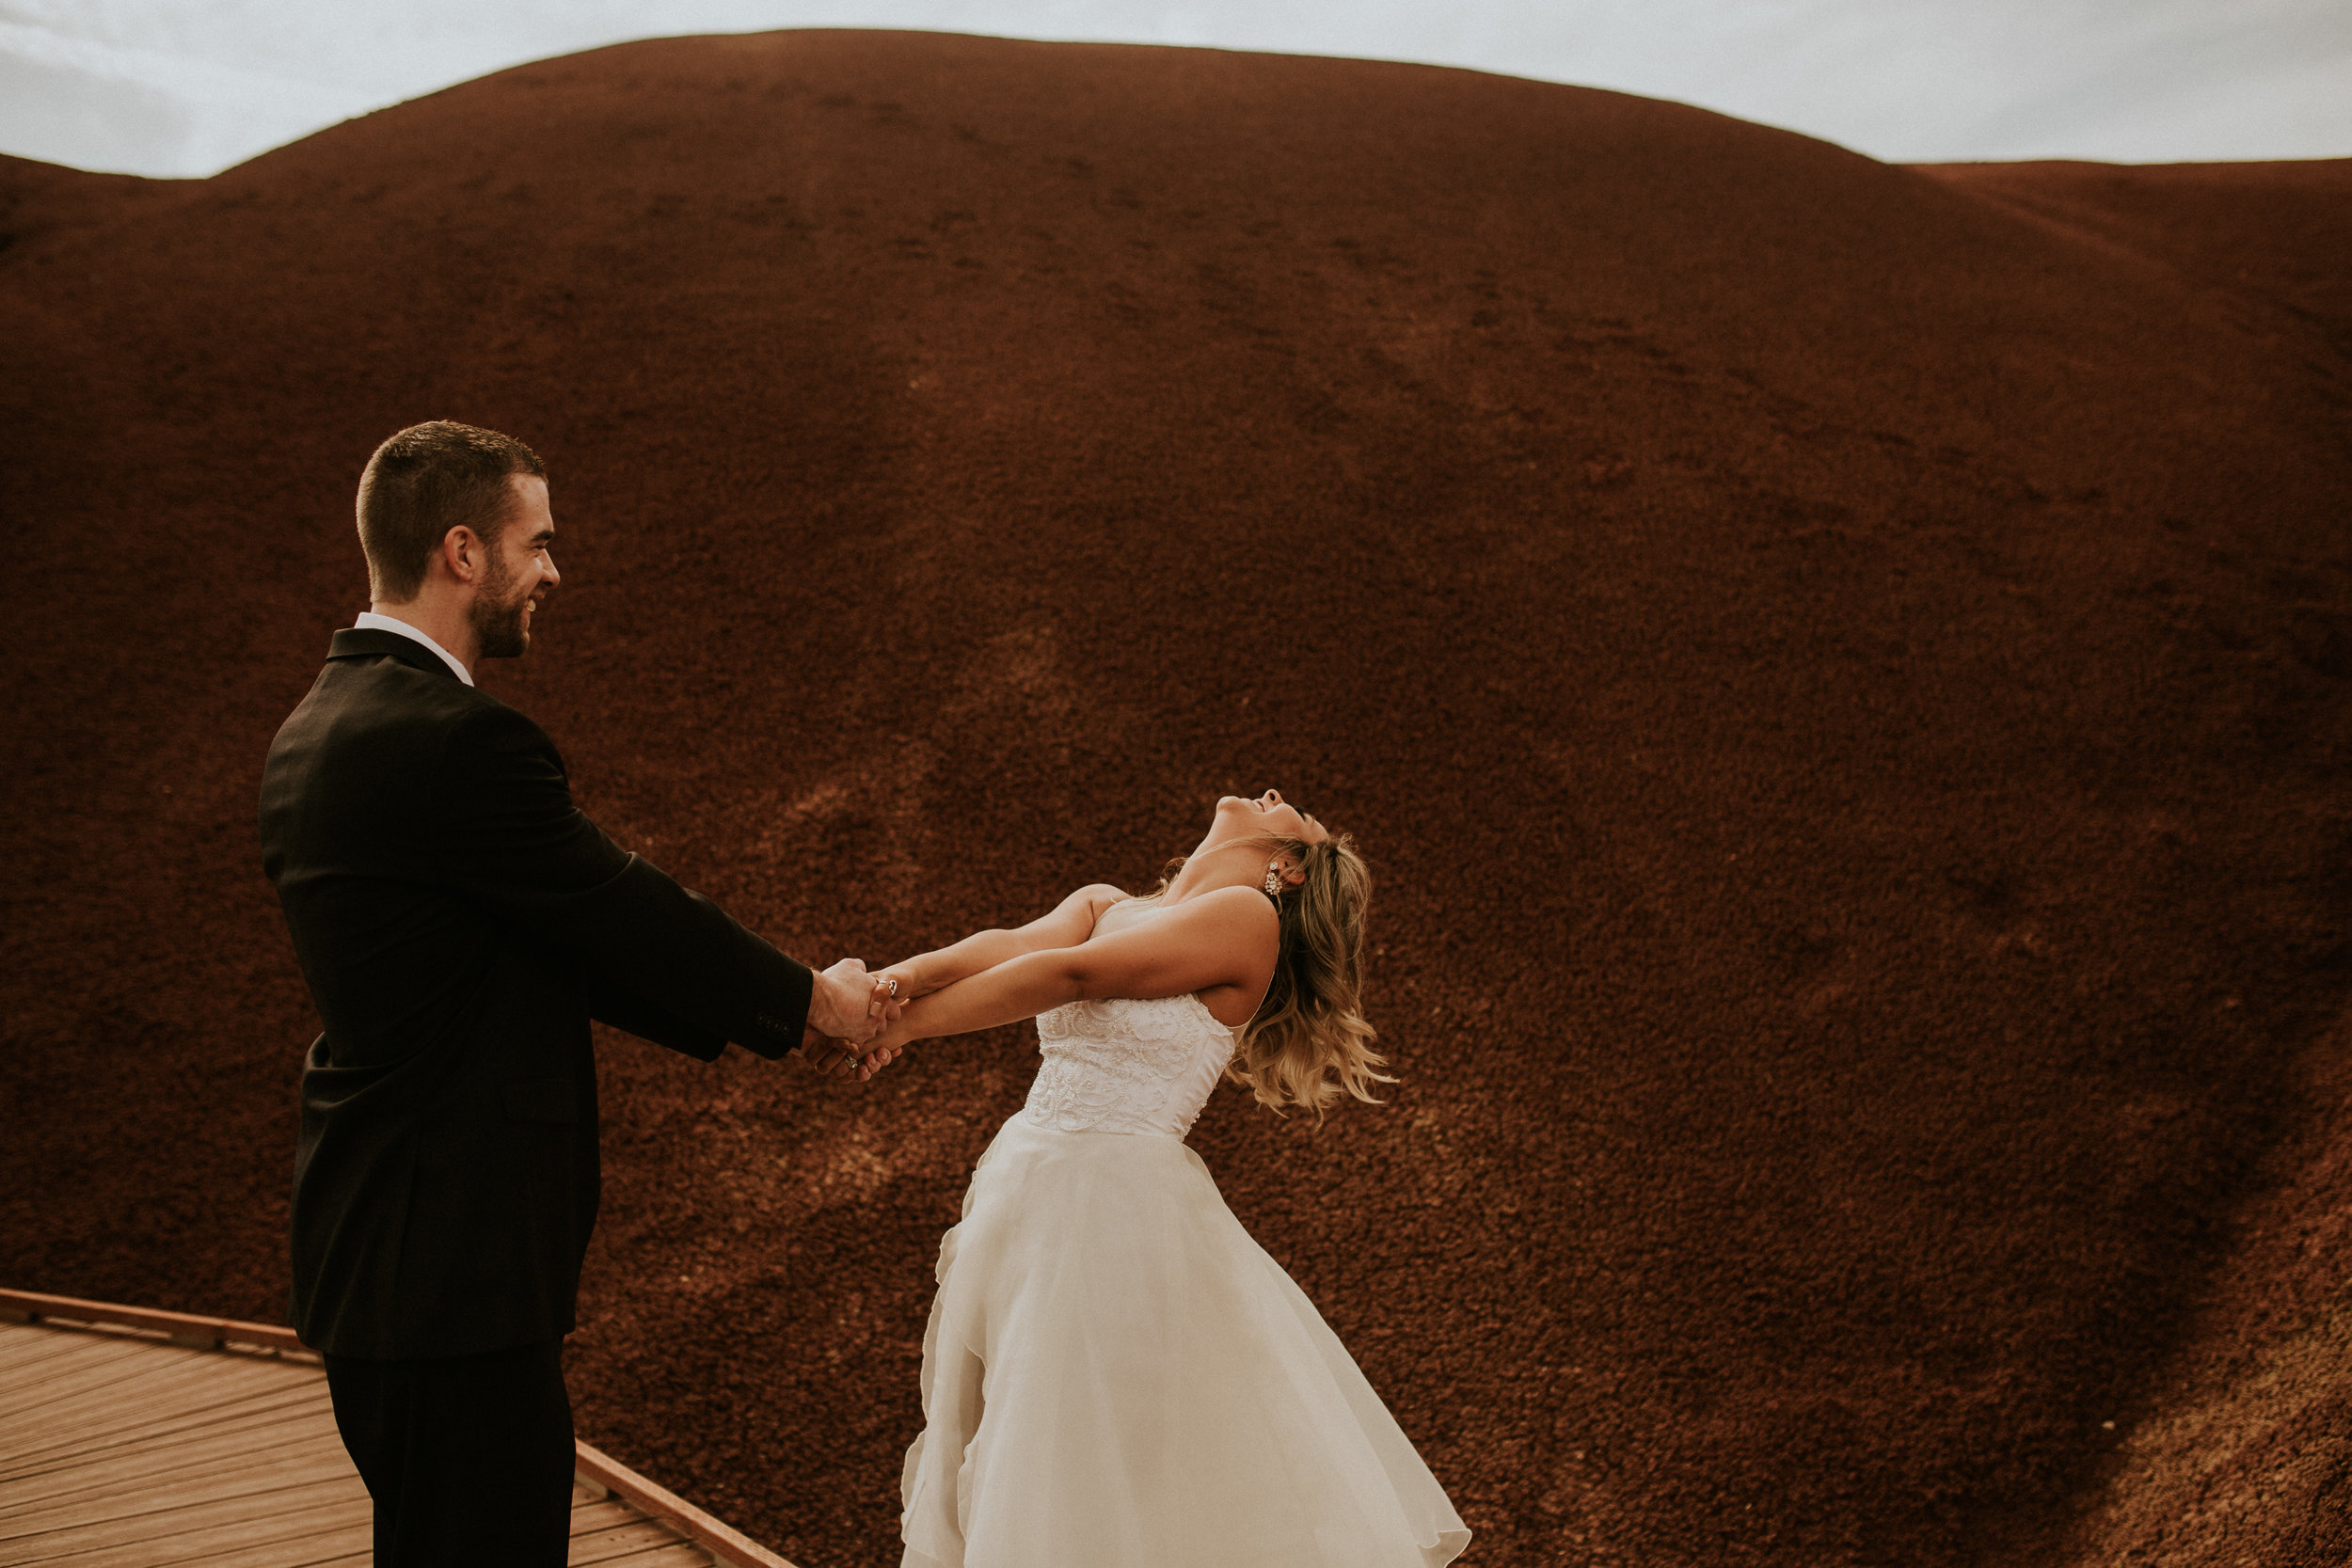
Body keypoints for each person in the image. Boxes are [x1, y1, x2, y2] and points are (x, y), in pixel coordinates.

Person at [258, 420, 894, 1567]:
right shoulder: (455, 741)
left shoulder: (316, 728)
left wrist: (791, 1011)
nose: (554, 570)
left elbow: (545, 947)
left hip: (381, 1258)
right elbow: (619, 906)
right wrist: (818, 1002)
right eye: (536, 542)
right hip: (455, 1270)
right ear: (463, 550)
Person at [862, 789, 1471, 1567]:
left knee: (1065, 1442)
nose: (1277, 793)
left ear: (1283, 864)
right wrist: (887, 984)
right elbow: (1011, 946)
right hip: (1027, 1186)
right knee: (1005, 1426)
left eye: (1297, 815)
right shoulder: (1105, 902)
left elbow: (1075, 973)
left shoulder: (1249, 919)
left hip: (1113, 1208)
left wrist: (898, 1025)